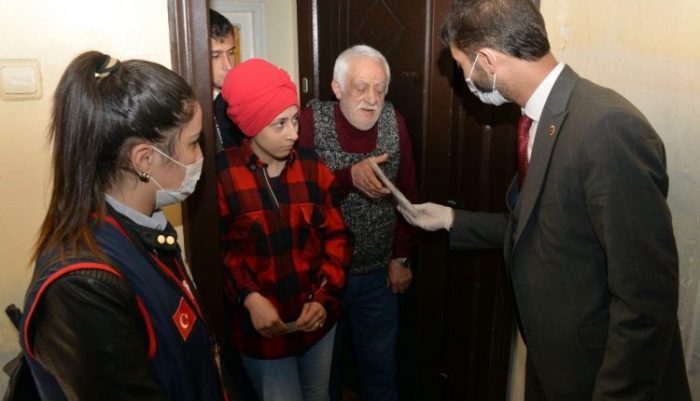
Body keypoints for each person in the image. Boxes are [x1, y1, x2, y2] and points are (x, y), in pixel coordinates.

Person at [397, 1, 692, 400]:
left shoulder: (605, 126)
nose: (466, 78)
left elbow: (646, 299)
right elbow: (539, 226)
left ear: (488, 59)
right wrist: (450, 218)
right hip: (556, 365)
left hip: (602, 378)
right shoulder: (538, 120)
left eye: (464, 66)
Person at [19, 51, 232, 400]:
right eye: (193, 143)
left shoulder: (144, 228)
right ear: (145, 159)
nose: (200, 158)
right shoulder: (82, 285)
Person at [217, 58, 352, 401]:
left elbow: (338, 238)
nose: (293, 132)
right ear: (250, 125)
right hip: (262, 334)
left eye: (294, 120)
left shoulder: (312, 166)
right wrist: (249, 297)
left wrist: (325, 297)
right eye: (279, 124)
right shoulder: (224, 175)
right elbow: (221, 251)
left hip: (317, 325)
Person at [298, 44, 419, 401]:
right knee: (323, 374)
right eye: (360, 88)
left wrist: (401, 258)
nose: (371, 99)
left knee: (380, 369)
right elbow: (300, 198)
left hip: (378, 276)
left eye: (379, 90)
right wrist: (348, 177)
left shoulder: (394, 122)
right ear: (337, 89)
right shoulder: (309, 122)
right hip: (321, 276)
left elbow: (407, 193)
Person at [210, 8, 244, 150]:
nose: (229, 66)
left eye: (230, 53)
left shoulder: (240, 99)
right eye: (215, 56)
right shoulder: (186, 107)